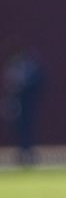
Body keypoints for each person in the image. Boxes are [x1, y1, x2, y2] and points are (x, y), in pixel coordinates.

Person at [1, 38, 45, 166]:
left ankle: (29, 153)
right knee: (20, 129)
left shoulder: (32, 68)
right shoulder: (15, 67)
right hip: (19, 105)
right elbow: (10, 85)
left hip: (30, 106)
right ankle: (22, 153)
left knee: (29, 129)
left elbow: (39, 84)